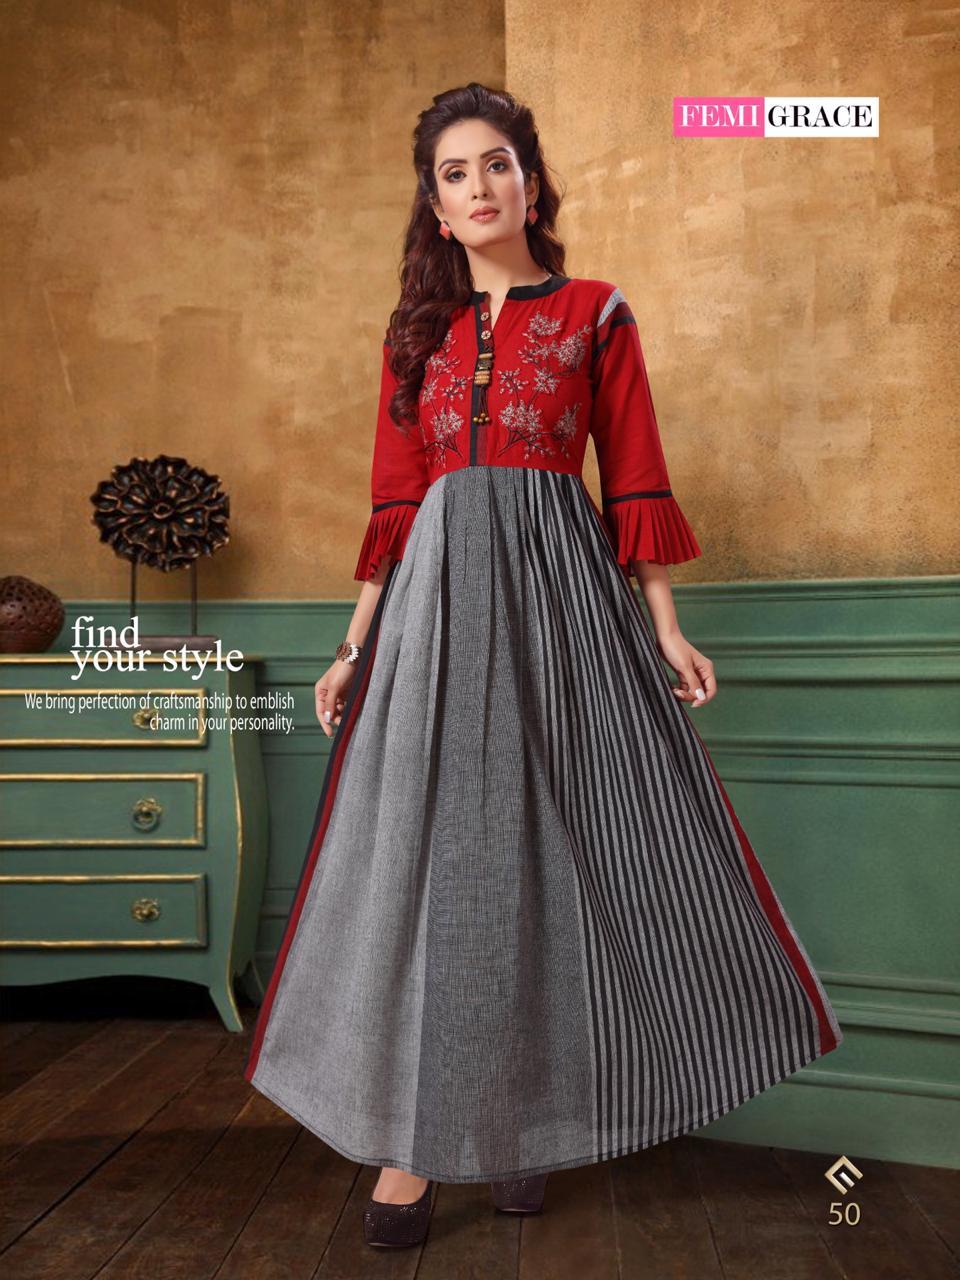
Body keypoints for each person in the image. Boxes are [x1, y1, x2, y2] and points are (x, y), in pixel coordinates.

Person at [243, 82, 843, 1251]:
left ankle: (525, 1124)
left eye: (497, 164)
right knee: (432, 858)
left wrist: (666, 625)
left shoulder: (594, 311)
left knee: (563, 852)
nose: (478, 187)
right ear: (435, 203)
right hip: (432, 611)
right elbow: (397, 501)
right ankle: (417, 1142)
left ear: (531, 182)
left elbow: (635, 476)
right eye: (454, 173)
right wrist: (354, 643)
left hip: (563, 602)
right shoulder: (411, 338)